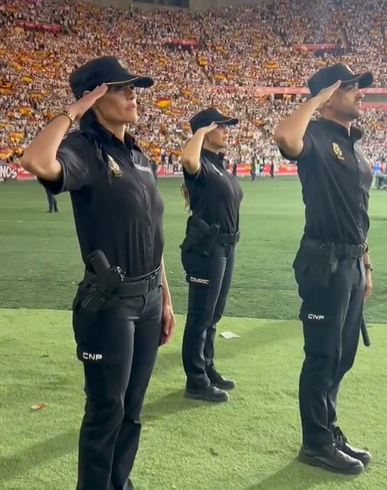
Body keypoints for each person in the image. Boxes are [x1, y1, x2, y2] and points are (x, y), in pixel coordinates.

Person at [20, 56, 176, 490]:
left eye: (134, 87)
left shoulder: (138, 154)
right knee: (106, 409)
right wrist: (74, 111)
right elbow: (36, 159)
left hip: (146, 300)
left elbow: (151, 232)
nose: (133, 95)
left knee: (132, 408)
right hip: (110, 305)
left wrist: (165, 297)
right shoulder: (83, 149)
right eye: (121, 88)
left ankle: (117, 483)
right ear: (94, 98)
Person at [273, 63, 374, 476]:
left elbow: (357, 210)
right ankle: (315, 443)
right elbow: (285, 136)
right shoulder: (314, 136)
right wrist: (316, 97)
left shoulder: (353, 143)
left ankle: (328, 430)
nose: (360, 93)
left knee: (342, 357)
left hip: (350, 262)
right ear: (329, 96)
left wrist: (365, 259)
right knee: (322, 355)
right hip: (324, 264)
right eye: (350, 88)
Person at [179, 107, 243, 403]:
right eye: (222, 126)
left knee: (214, 315)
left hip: (226, 247)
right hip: (208, 247)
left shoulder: (217, 164)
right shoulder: (199, 163)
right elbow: (188, 159)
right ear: (205, 132)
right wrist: (201, 131)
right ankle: (196, 380)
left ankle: (206, 367)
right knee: (200, 315)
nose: (227, 130)